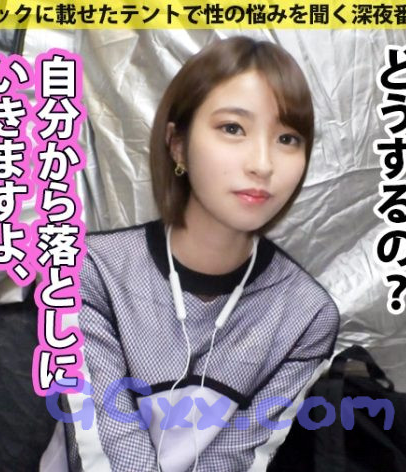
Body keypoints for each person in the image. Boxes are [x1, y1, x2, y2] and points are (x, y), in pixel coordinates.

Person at [77, 36, 340, 472]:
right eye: (233, 128)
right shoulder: (91, 270)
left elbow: (237, 456)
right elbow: (106, 439)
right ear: (177, 144)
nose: (262, 164)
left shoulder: (306, 315)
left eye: (287, 138)